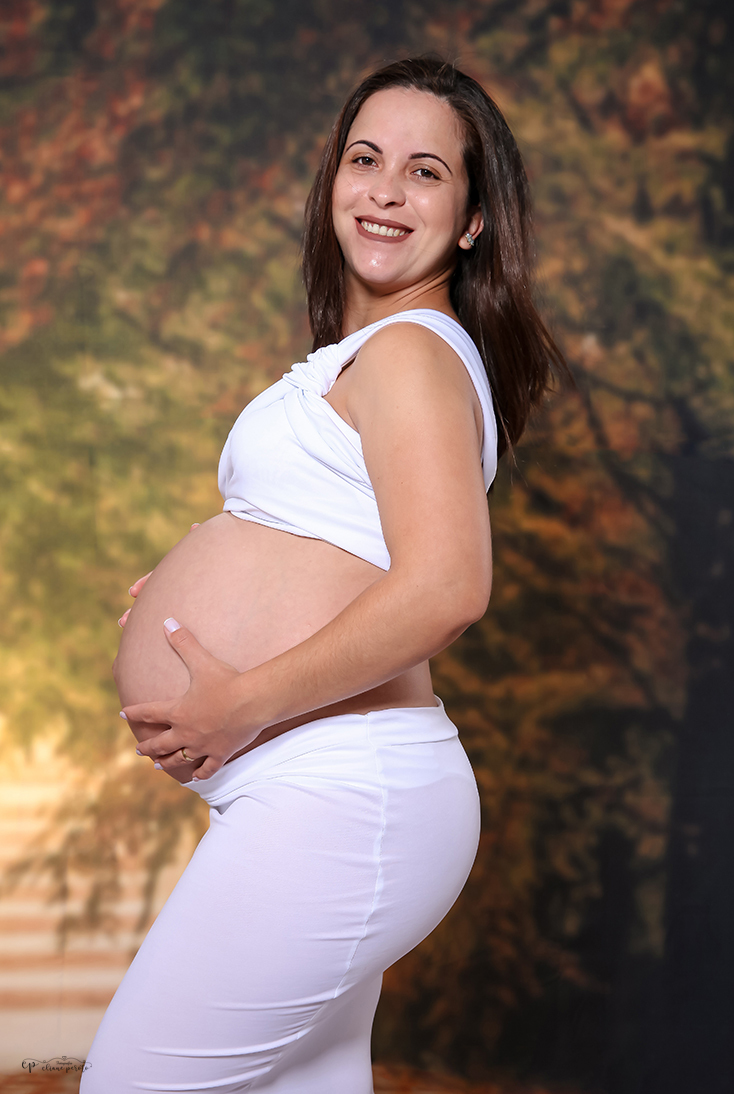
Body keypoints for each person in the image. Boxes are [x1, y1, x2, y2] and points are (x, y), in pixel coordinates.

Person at [80, 57, 565, 1093]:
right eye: (364, 159)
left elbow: (448, 587)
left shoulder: (412, 354)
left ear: (473, 221)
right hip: (321, 791)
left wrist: (241, 698)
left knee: (131, 1080)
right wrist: (213, 565)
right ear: (333, 180)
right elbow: (340, 536)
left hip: (345, 792)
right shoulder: (366, 354)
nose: (386, 191)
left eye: (426, 172)